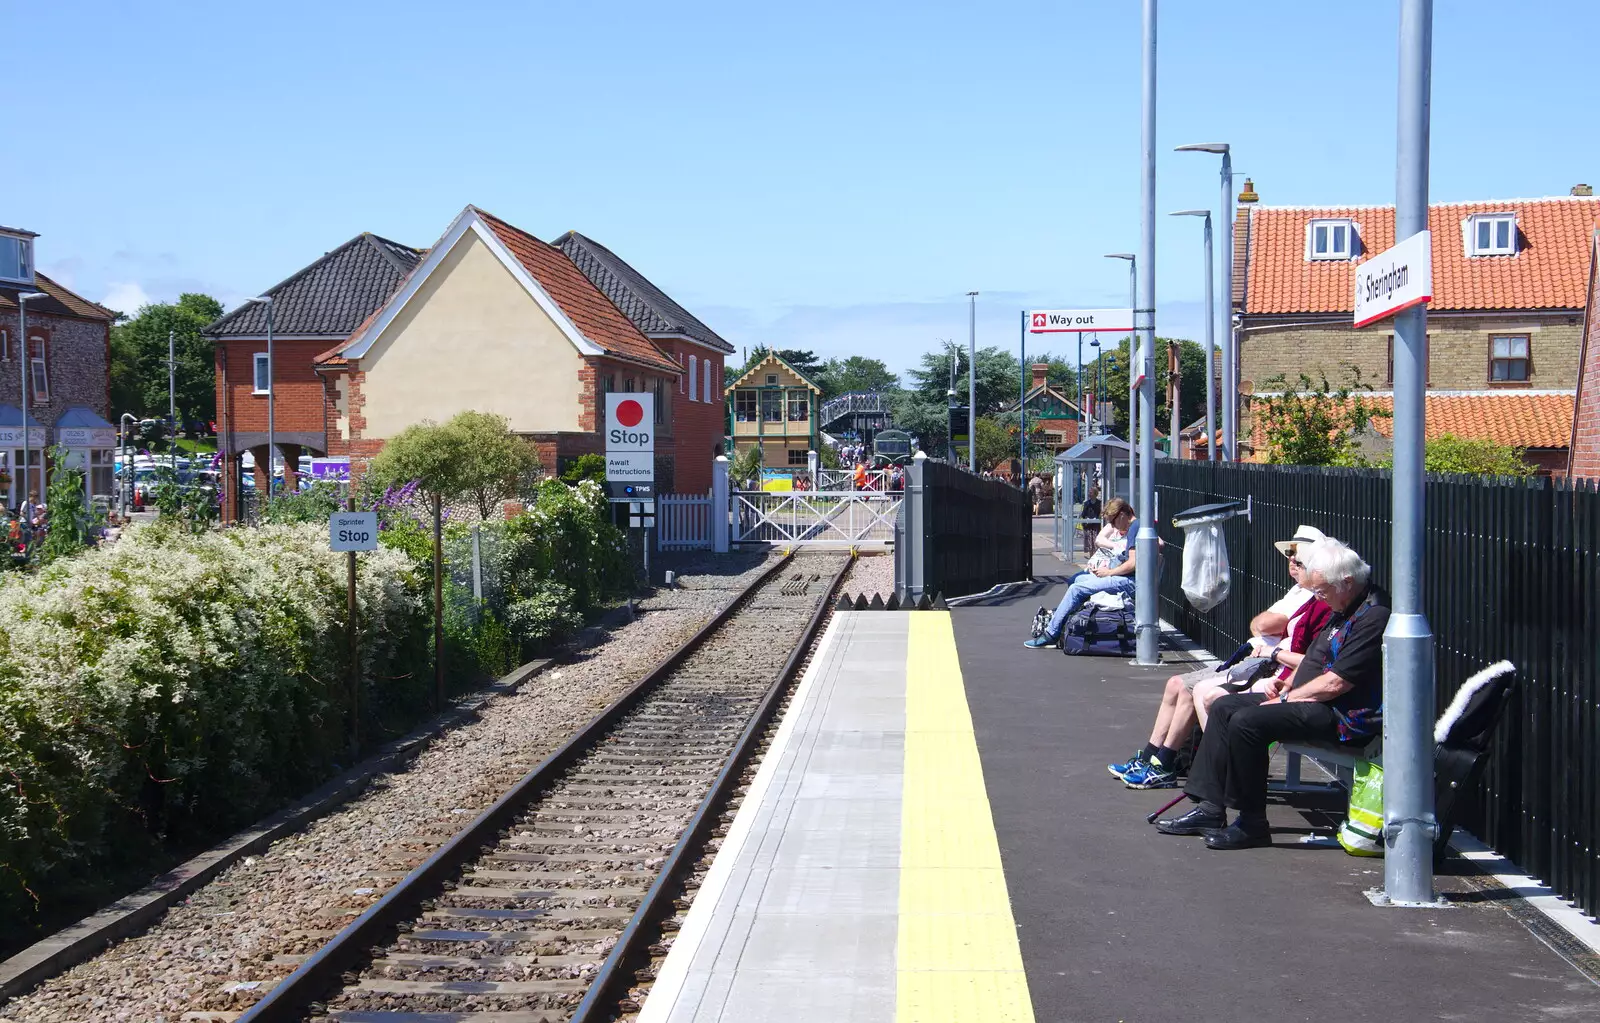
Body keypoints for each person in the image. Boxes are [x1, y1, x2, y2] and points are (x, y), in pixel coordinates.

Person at [1154, 537, 1390, 849]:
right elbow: (1317, 659)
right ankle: (1210, 807)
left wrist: (1286, 699)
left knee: (1249, 722)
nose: (1320, 598)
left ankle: (1253, 822)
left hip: (1343, 714)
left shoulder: (1372, 615)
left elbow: (1337, 683)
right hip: (1311, 699)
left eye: (1323, 591)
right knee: (1225, 707)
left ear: (1347, 582)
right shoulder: (1343, 604)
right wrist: (1289, 684)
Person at [1113, 526, 1332, 789]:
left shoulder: (1315, 597)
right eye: (1289, 556)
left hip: (1268, 666)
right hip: (1259, 661)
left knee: (1198, 691)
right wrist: (1267, 632)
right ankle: (1155, 756)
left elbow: (1270, 628)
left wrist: (1273, 645)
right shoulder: (1299, 593)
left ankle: (1181, 765)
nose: (1291, 563)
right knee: (1180, 685)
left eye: (1298, 559)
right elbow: (1259, 624)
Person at [1025, 499, 1138, 648]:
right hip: (1124, 577)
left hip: (1130, 582)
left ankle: (1051, 633)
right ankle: (1064, 618)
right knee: (1077, 580)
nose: (1113, 526)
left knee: (1076, 590)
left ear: (1122, 514)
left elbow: (1133, 563)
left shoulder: (1136, 528)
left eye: (1113, 522)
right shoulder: (1136, 527)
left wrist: (1109, 572)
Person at [1080, 486, 1103, 556]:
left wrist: (1097, 518)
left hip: (1096, 525)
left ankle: (1095, 555)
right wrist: (1086, 519)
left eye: (1091, 493)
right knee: (1089, 541)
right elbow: (1083, 514)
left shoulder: (1099, 503)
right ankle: (1091, 555)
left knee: (1096, 540)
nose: (1089, 494)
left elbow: (1101, 513)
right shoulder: (1086, 503)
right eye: (1089, 493)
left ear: (1095, 494)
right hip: (1088, 525)